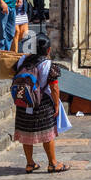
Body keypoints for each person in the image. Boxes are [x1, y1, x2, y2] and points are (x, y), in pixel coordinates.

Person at [12, 34, 69, 172]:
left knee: (26, 133)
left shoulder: (22, 61)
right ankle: (53, 163)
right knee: (48, 134)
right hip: (42, 103)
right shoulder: (48, 65)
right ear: (48, 50)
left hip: (24, 101)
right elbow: (54, 88)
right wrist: (56, 104)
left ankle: (30, 163)